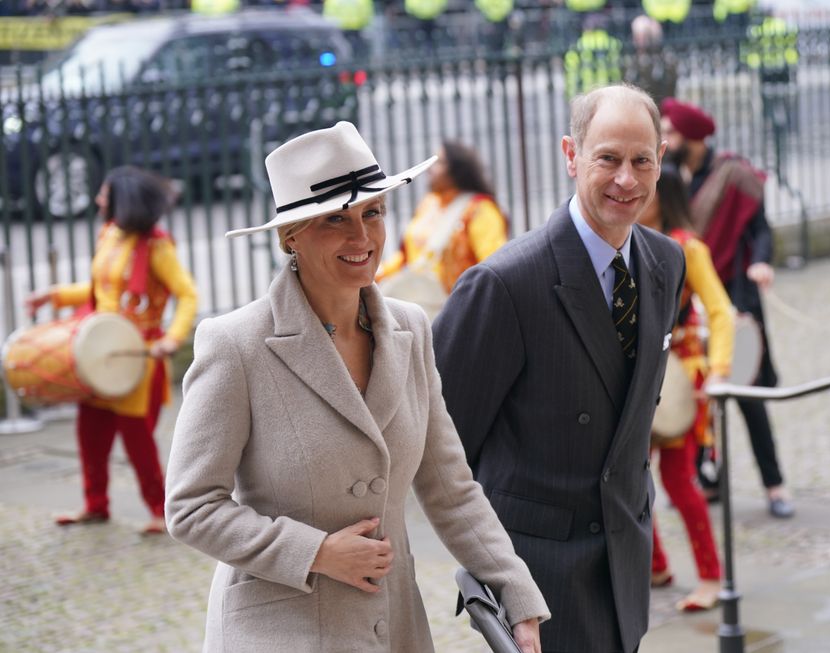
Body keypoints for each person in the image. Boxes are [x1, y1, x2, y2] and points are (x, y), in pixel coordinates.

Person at [164, 122, 549, 653]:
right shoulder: (235, 345)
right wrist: (315, 552)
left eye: (372, 213)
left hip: (394, 629)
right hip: (278, 632)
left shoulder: (411, 330)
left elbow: (450, 486)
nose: (362, 238)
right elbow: (191, 507)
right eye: (334, 221)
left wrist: (516, 593)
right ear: (289, 236)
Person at [432, 85, 687, 653]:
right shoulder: (504, 284)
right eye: (608, 159)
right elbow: (441, 445)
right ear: (571, 155)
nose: (627, 179)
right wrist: (491, 569)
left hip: (624, 563)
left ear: (661, 160)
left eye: (641, 160)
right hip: (538, 581)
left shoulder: (667, 262)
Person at [25, 165, 197, 535]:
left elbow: (187, 294)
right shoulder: (109, 234)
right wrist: (52, 296)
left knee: (137, 440)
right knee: (90, 432)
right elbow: (97, 288)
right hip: (98, 351)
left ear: (121, 200)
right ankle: (95, 504)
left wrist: (172, 339)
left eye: (103, 194)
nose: (98, 200)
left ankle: (159, 510)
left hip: (136, 356)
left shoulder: (156, 245)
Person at [659, 97, 795, 518]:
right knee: (700, 398)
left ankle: (775, 486)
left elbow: (760, 229)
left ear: (694, 138)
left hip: (734, 296)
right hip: (689, 305)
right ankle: (709, 479)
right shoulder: (669, 176)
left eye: (671, 132)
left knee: (747, 395)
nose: (664, 138)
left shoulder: (733, 174)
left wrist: (760, 261)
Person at [638, 165, 733, 612]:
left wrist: (720, 370)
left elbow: (720, 311)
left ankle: (712, 576)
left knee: (677, 479)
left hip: (680, 378)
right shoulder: (625, 237)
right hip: (637, 376)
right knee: (631, 478)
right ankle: (656, 564)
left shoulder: (687, 246)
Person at [376, 139, 507, 310]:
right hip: (418, 302)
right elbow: (406, 256)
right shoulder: (428, 203)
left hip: (458, 308)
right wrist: (376, 275)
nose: (431, 169)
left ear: (457, 171)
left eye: (440, 163)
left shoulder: (480, 209)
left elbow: (494, 265)